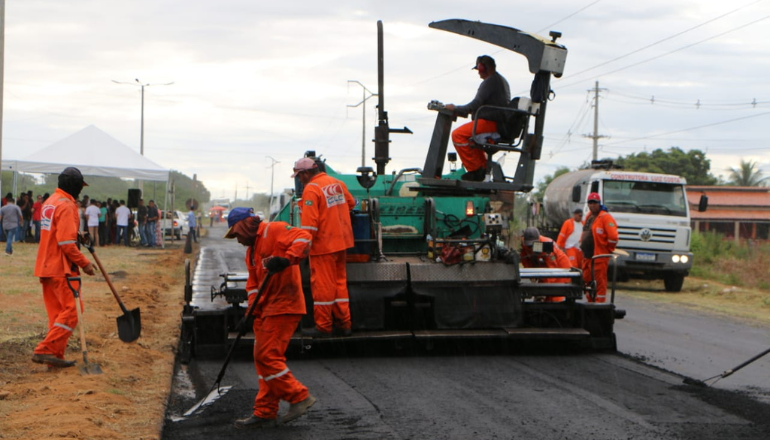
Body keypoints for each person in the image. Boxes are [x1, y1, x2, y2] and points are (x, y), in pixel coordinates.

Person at [224, 207, 317, 429]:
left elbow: (305, 238)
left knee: (267, 356)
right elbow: (254, 286)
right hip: (266, 309)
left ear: (245, 226)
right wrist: (249, 315)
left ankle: (299, 396)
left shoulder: (273, 230)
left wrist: (286, 259)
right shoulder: (251, 253)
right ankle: (265, 411)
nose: (237, 240)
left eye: (236, 234)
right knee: (262, 359)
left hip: (285, 304)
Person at [32, 167, 96, 368]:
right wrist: (84, 263)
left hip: (45, 265)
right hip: (60, 267)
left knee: (57, 314)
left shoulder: (50, 202)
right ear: (75, 186)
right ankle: (45, 350)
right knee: (73, 310)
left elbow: (57, 233)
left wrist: (77, 235)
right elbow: (65, 243)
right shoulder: (67, 205)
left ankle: (55, 356)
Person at [292, 157, 355, 337]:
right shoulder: (337, 183)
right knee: (339, 285)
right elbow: (350, 204)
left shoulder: (311, 189)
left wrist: (302, 248)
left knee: (323, 287)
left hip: (323, 247)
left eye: (299, 176)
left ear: (306, 173)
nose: (299, 180)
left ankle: (323, 326)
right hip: (341, 243)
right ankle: (345, 324)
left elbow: (310, 225)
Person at [443, 55, 511, 182]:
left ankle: (475, 170)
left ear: (483, 68)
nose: (478, 73)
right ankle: (482, 168)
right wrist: (461, 111)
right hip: (496, 122)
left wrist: (455, 108)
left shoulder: (490, 81)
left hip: (492, 123)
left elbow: (475, 103)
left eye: (479, 69)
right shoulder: (499, 80)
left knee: (458, 135)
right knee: (470, 138)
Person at [580, 192, 619, 303]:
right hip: (587, 257)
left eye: (595, 203)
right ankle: (590, 302)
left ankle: (599, 305)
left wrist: (607, 250)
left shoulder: (605, 217)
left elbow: (613, 237)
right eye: (590, 202)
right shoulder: (589, 216)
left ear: (599, 203)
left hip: (599, 257)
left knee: (599, 282)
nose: (592, 205)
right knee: (587, 280)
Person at [520, 227, 570, 302]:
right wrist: (532, 274)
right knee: (543, 297)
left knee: (555, 297)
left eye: (532, 245)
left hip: (560, 267)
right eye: (529, 245)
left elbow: (552, 269)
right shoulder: (524, 244)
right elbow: (525, 259)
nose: (530, 247)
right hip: (544, 265)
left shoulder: (546, 246)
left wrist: (543, 289)